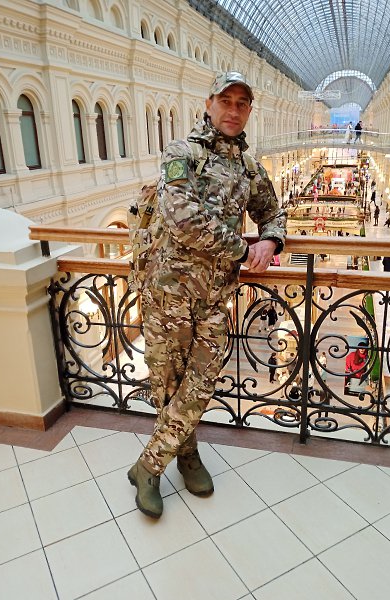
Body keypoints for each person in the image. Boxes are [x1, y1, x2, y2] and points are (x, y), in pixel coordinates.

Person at [127, 71, 286, 518]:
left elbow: (273, 213)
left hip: (215, 297)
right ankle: (186, 456)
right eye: (226, 101)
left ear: (249, 110)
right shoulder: (181, 153)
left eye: (242, 103)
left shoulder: (250, 169)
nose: (233, 110)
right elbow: (183, 219)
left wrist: (270, 241)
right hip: (168, 293)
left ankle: (147, 465)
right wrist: (244, 249)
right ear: (209, 104)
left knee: (202, 381)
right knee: (168, 385)